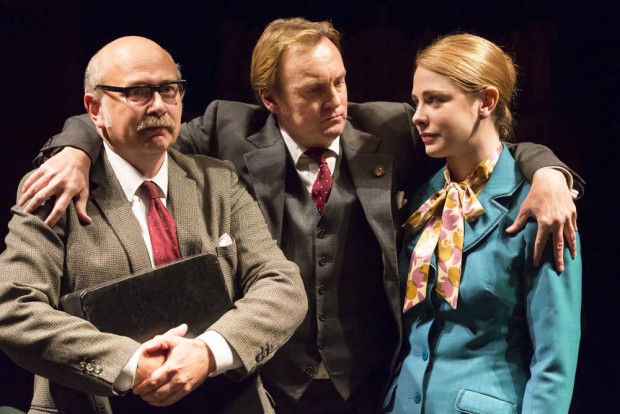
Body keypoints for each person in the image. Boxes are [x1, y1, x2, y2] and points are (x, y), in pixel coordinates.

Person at [18, 19, 583, 413]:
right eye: (314, 91)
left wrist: (550, 173)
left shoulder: (387, 130)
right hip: (263, 383)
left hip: (370, 384)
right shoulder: (225, 133)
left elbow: (489, 138)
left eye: (340, 81)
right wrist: (74, 147)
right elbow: (136, 126)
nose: (336, 100)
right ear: (270, 99)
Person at [0, 36, 306, 413]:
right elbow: (13, 307)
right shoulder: (54, 191)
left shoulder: (219, 182)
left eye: (169, 90)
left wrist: (209, 352)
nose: (159, 105)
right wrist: (130, 364)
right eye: (138, 92)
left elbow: (282, 285)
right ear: (94, 108)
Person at [384, 33, 582, 413]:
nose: (418, 116)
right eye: (417, 101)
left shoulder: (541, 205)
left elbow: (555, 362)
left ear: (486, 102)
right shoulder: (421, 198)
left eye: (436, 100)